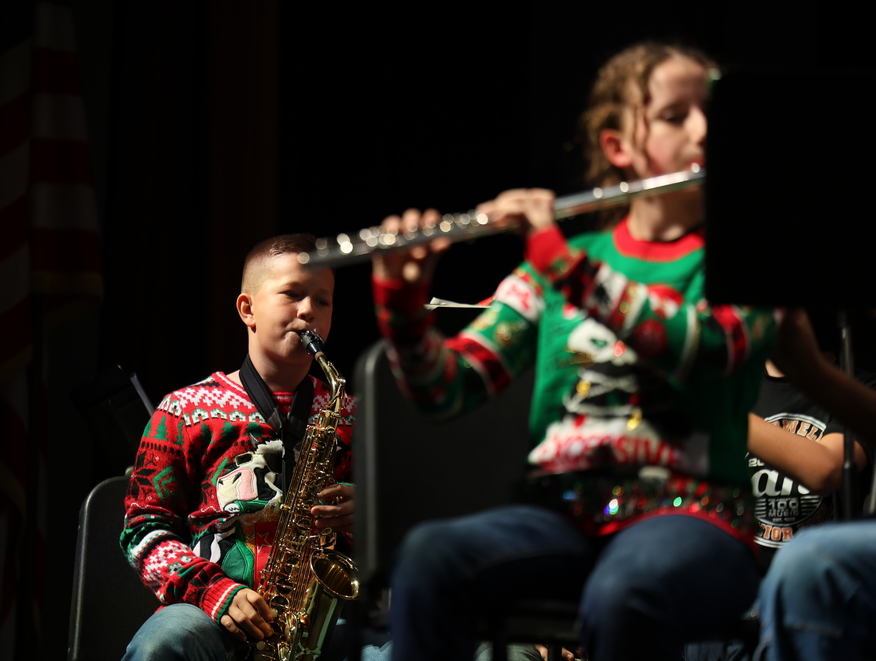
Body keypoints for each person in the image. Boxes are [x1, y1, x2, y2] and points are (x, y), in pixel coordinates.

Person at [371, 42, 780, 661]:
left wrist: (562, 263)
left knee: (627, 590)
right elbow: (447, 388)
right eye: (676, 115)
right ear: (619, 147)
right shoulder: (550, 273)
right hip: (559, 517)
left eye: (714, 112)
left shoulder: (746, 258)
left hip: (697, 520)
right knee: (428, 558)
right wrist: (401, 303)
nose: (705, 130)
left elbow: (703, 348)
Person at [119, 233, 389, 661]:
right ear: (247, 309)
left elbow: (409, 525)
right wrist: (215, 591)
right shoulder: (183, 409)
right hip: (210, 609)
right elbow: (143, 530)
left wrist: (372, 514)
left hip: (327, 617)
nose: (308, 312)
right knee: (163, 646)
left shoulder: (358, 415)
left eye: (323, 301)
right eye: (293, 294)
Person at [751, 309, 876, 661]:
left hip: (805, 576)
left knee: (809, 563)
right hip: (745, 580)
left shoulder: (856, 385)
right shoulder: (742, 385)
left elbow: (825, 470)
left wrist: (725, 416)